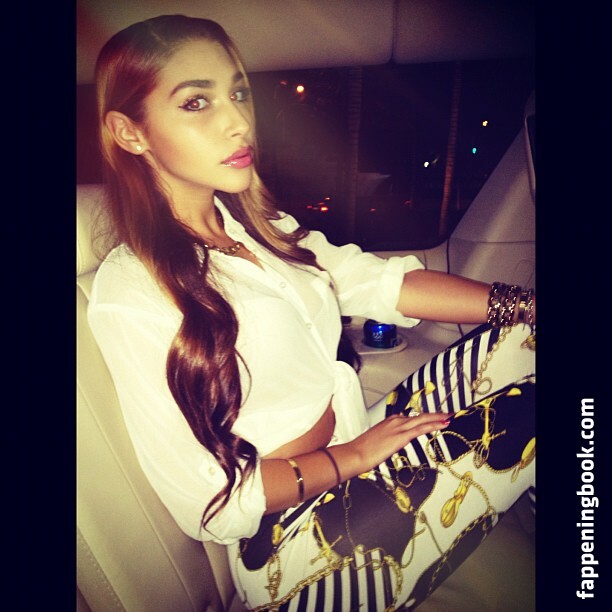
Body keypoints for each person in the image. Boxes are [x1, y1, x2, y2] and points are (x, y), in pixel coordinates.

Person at [88, 14, 536, 611]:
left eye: (238, 93)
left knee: (530, 340)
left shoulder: (260, 229)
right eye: (197, 102)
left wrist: (528, 305)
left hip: (357, 452)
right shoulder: (133, 290)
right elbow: (208, 501)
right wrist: (352, 457)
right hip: (295, 545)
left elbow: (382, 284)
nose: (238, 121)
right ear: (130, 132)